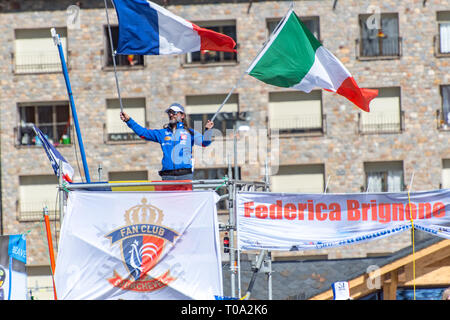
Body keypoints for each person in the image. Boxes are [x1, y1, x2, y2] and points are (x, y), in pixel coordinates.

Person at [120, 103, 214, 180]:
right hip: (167, 176)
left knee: (185, 203)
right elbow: (143, 133)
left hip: (185, 175)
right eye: (169, 112)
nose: (171, 115)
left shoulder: (189, 132)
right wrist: (129, 120)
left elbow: (205, 143)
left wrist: (208, 131)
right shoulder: (163, 133)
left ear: (182, 115)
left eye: (174, 112)